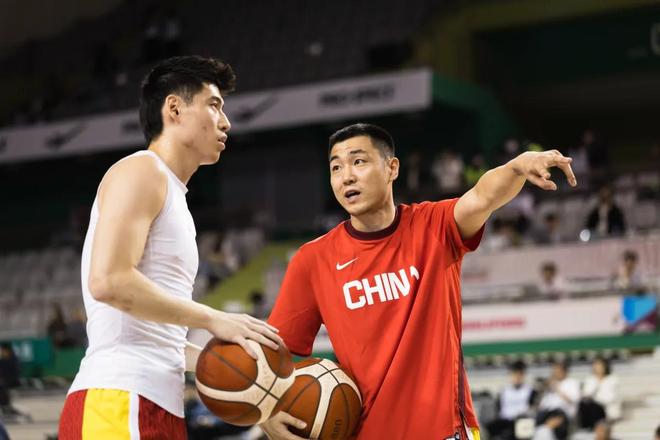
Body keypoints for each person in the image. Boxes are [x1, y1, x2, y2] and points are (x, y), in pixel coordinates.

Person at [262, 123, 577, 439]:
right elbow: (273, 349)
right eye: (336, 167)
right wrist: (266, 410)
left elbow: (482, 197)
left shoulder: (435, 226)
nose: (347, 176)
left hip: (444, 431)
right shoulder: (313, 260)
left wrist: (517, 167)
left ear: (392, 168)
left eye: (358, 161)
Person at [58, 56, 282, 439]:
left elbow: (160, 343)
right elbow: (108, 281)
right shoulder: (141, 170)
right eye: (214, 105)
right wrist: (213, 319)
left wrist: (256, 389)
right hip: (118, 401)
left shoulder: (175, 197)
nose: (226, 122)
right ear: (174, 108)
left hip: (154, 403)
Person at [487, 360, 537, 440]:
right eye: (515, 374)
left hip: (521, 422)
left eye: (519, 375)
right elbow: (498, 409)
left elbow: (532, 408)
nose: (517, 377)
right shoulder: (504, 391)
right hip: (505, 421)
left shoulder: (530, 391)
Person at [579, 357, 621, 428]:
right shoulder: (590, 380)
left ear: (605, 366)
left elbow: (611, 398)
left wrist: (595, 399)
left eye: (599, 366)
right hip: (592, 410)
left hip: (607, 410)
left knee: (595, 406)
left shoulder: (613, 379)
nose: (597, 368)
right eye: (595, 366)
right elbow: (585, 395)